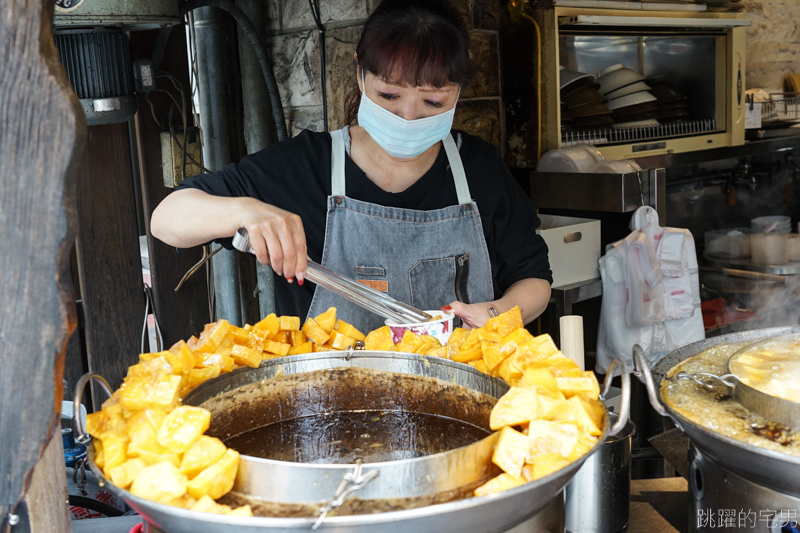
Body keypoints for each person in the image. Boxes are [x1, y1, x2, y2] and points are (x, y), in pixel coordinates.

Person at [151, 0, 552, 334]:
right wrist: (245, 211)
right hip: (333, 411)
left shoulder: (478, 168)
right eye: (389, 95)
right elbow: (167, 219)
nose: (408, 116)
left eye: (433, 102)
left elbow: (534, 278)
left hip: (464, 401)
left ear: (459, 92)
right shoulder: (304, 166)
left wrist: (498, 316)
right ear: (360, 73)